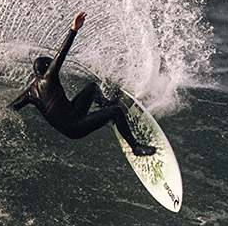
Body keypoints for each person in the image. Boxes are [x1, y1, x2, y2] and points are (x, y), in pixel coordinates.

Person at [9, 11, 156, 156]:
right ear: (47, 67)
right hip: (75, 127)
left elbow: (12, 107)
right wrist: (74, 30)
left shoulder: (30, 92)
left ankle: (106, 106)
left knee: (92, 88)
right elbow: (62, 53)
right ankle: (135, 147)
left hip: (72, 115)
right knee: (116, 111)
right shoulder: (49, 77)